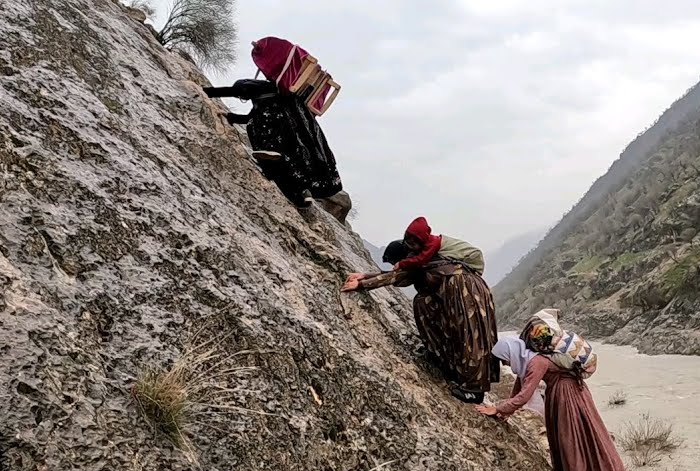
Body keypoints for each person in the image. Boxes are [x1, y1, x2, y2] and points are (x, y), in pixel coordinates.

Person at [341, 229, 499, 403]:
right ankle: (449, 364)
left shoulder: (421, 261)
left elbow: (394, 277)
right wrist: (364, 276)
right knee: (423, 302)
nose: (395, 266)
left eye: (396, 262)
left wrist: (361, 284)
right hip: (457, 293)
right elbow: (395, 276)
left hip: (466, 291)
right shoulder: (421, 261)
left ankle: (474, 389)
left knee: (470, 335)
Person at [477, 336, 628, 471]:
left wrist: (497, 408)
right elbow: (520, 388)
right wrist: (505, 412)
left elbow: (524, 396)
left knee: (570, 438)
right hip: (562, 393)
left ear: (510, 353)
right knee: (566, 437)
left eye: (504, 360)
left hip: (567, 394)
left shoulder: (536, 362)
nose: (504, 364)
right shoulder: (529, 361)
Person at [203, 78, 342, 208]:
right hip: (295, 137)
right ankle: (303, 193)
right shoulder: (281, 95)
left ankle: (276, 160)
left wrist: (206, 91)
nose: (242, 98)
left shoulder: (254, 86)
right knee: (293, 166)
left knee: (270, 157)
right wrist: (230, 117)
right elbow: (249, 116)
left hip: (273, 133)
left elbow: (231, 92)